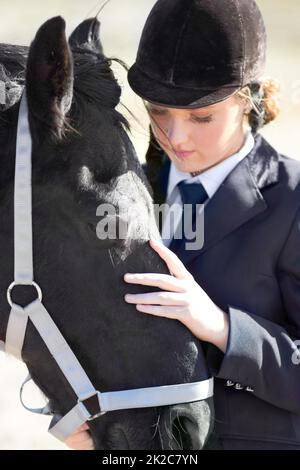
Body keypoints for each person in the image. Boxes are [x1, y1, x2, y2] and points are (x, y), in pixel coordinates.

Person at [66, 0, 300, 450]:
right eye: (158, 111)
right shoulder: (121, 191)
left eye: (201, 117)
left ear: (247, 98)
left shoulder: (292, 200)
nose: (176, 137)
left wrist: (223, 328)